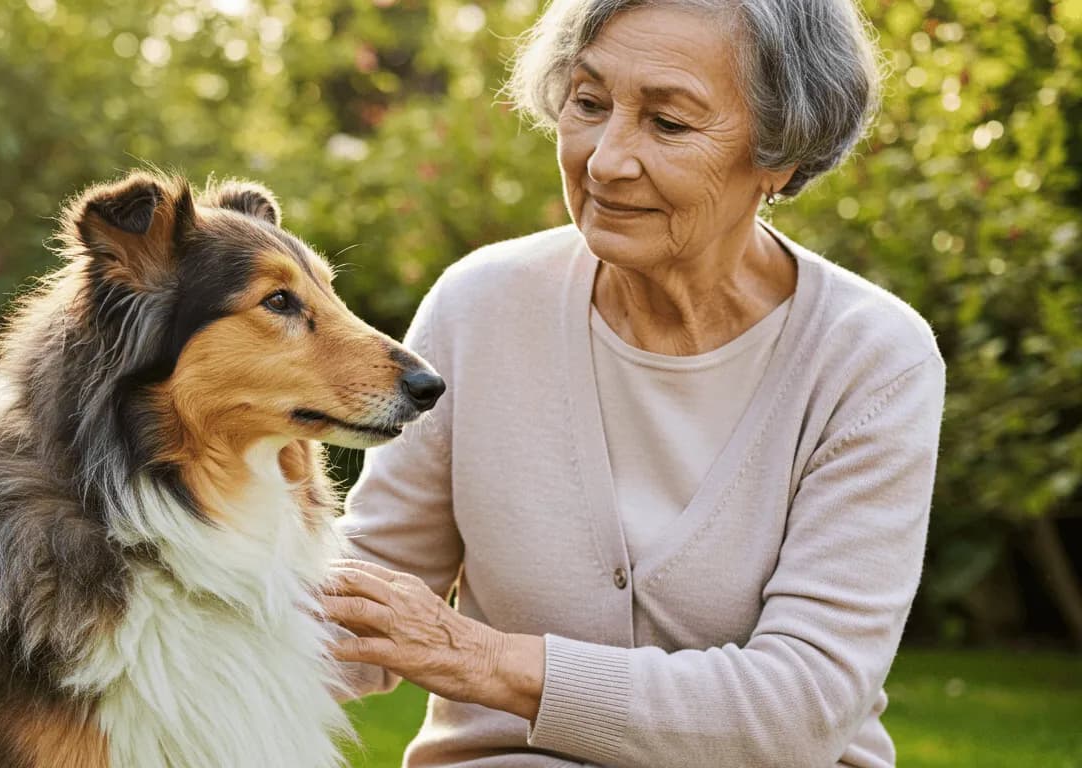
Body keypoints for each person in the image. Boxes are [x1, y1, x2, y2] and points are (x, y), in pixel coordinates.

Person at [320, 0, 945, 765]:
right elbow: (362, 604)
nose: (606, 158)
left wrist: (480, 659)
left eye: (669, 124)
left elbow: (798, 705)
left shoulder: (870, 358)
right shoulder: (482, 304)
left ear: (780, 154)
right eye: (588, 104)